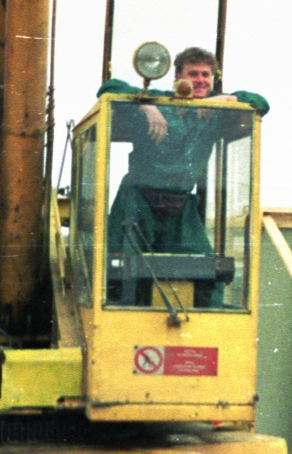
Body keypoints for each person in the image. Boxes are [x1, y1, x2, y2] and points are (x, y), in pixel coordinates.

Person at [98, 48, 268, 298]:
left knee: (206, 270)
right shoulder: (157, 99)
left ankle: (211, 326)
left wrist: (225, 100)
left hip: (181, 205)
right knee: (119, 269)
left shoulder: (217, 112)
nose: (200, 80)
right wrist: (146, 105)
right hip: (137, 202)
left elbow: (261, 103)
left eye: (206, 75)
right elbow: (108, 89)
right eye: (193, 73)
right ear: (178, 78)